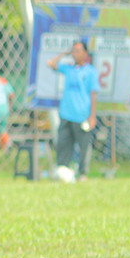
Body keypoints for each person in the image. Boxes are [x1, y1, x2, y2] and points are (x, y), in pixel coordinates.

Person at [48, 40, 99, 180]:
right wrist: (64, 54)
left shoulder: (90, 72)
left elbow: (93, 96)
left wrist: (92, 116)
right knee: (63, 144)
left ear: (85, 53)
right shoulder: (69, 69)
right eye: (73, 51)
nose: (75, 54)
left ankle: (83, 173)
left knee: (84, 146)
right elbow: (51, 64)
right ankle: (62, 171)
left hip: (82, 115)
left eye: (78, 51)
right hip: (66, 114)